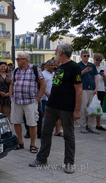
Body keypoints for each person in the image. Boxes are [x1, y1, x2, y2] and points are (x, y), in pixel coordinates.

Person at [30, 43, 83, 174]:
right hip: (51, 106)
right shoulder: (59, 67)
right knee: (46, 132)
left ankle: (69, 163)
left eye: (56, 50)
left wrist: (77, 109)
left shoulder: (74, 67)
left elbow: (79, 89)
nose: (54, 52)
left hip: (66, 107)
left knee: (68, 135)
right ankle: (41, 159)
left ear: (61, 52)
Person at [10, 52, 46, 154]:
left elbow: (43, 84)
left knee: (32, 123)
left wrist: (38, 98)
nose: (17, 61)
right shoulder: (16, 70)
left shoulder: (35, 68)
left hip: (30, 101)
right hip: (16, 101)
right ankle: (20, 142)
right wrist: (11, 97)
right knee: (16, 122)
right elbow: (12, 84)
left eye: (18, 59)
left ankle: (32, 144)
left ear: (25, 60)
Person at [77, 50, 99, 134]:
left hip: (92, 89)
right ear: (81, 56)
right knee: (83, 108)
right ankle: (83, 126)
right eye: (84, 56)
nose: (86, 57)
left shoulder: (92, 65)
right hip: (83, 89)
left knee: (92, 108)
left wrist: (96, 88)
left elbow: (95, 77)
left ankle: (92, 126)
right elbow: (76, 76)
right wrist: (84, 71)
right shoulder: (78, 65)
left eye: (87, 56)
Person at [42, 60, 63, 136]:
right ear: (46, 66)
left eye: (54, 65)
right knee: (45, 115)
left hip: (55, 97)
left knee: (58, 114)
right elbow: (41, 85)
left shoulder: (55, 74)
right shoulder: (43, 74)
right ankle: (44, 131)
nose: (53, 67)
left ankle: (57, 131)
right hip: (45, 98)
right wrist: (45, 92)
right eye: (51, 65)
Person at [94, 53, 106, 130]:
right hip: (92, 89)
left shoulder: (104, 68)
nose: (99, 61)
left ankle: (98, 124)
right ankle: (88, 124)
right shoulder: (91, 67)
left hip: (101, 89)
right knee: (90, 106)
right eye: (98, 60)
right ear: (94, 59)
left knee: (99, 107)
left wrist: (103, 75)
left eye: (101, 60)